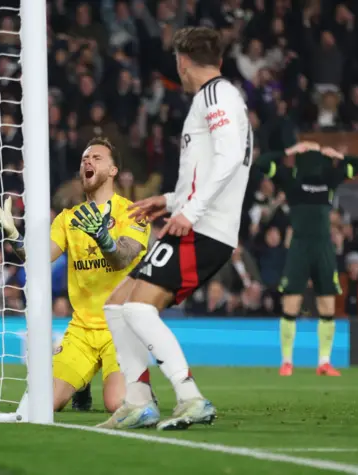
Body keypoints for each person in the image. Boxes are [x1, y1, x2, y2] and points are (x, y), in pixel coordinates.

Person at [97, 26, 253, 430]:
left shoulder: (216, 96)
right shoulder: (216, 97)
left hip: (204, 227)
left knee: (137, 306)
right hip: (195, 219)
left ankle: (190, 397)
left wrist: (190, 212)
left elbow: (231, 157)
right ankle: (138, 401)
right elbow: (206, 170)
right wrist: (168, 201)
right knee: (117, 302)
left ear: (182, 62)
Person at [0, 137, 157, 423]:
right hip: (81, 328)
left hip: (121, 327)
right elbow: (37, 257)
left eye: (96, 157)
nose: (88, 162)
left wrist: (104, 238)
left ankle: (141, 387)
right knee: (44, 403)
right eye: (84, 159)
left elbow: (123, 257)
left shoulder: (133, 212)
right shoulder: (69, 218)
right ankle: (81, 382)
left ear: (113, 170)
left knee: (117, 404)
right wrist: (14, 236)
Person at [255, 141, 358, 376]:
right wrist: (288, 151)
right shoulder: (291, 179)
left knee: (327, 306)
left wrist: (336, 155)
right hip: (300, 247)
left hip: (323, 247)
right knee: (291, 303)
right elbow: (262, 163)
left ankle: (324, 362)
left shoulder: (329, 178)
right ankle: (287, 361)